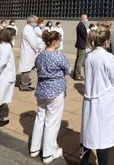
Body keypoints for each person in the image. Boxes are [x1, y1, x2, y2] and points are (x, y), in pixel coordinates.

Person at [80, 26, 114, 165]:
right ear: (106, 42)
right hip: (104, 100)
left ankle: (83, 162)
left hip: (90, 98)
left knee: (87, 132)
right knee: (103, 136)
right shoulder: (108, 57)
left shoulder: (88, 56)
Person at [30, 31, 70, 164]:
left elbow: (36, 67)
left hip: (41, 90)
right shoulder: (58, 56)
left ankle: (34, 148)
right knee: (52, 121)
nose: (60, 42)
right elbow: (68, 70)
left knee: (40, 117)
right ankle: (48, 152)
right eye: (59, 40)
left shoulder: (40, 55)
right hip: (55, 90)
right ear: (54, 42)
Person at [19, 15, 42, 91]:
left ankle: (25, 83)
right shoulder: (28, 29)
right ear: (31, 21)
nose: (37, 24)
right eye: (36, 22)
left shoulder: (29, 28)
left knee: (28, 67)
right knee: (26, 68)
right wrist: (37, 48)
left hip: (29, 51)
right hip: (28, 52)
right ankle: (24, 85)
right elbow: (32, 42)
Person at [74, 14, 88, 80]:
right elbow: (85, 36)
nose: (87, 19)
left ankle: (76, 73)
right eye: (86, 18)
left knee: (78, 59)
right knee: (80, 60)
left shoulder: (80, 25)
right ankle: (77, 74)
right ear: (83, 18)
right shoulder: (81, 26)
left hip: (81, 44)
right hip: (81, 45)